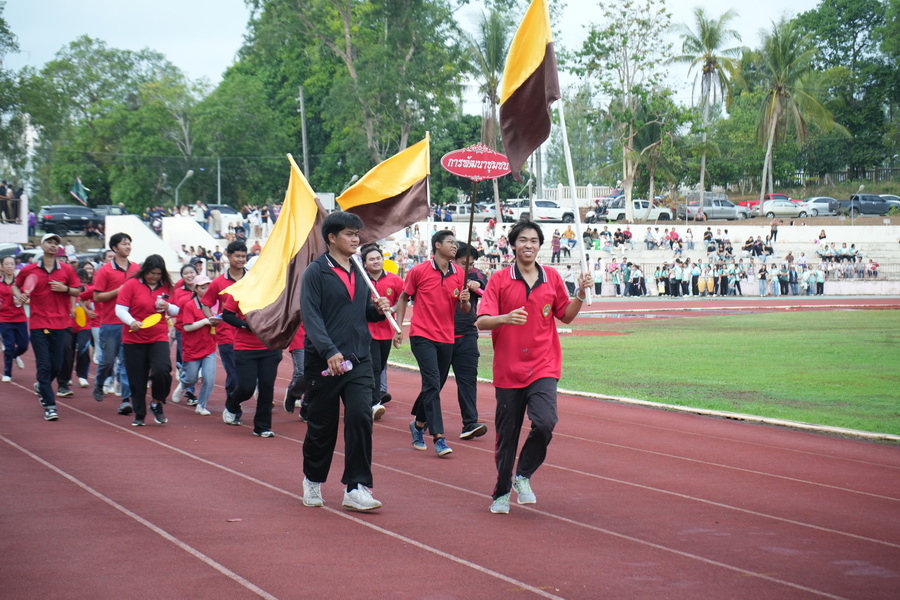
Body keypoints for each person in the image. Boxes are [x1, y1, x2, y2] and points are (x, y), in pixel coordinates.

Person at [476, 219, 590, 514]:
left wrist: (579, 294)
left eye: (534, 241)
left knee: (545, 422)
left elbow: (565, 315)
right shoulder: (499, 279)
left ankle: (523, 474)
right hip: (508, 369)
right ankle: (501, 491)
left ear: (541, 246)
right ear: (513, 244)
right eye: (523, 240)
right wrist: (504, 318)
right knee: (507, 436)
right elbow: (481, 320)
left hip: (544, 365)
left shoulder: (551, 277)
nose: (529, 245)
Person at [300, 211, 391, 511]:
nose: (356, 239)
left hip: (359, 358)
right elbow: (311, 317)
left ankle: (356, 487)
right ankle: (313, 479)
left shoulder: (360, 271)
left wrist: (378, 309)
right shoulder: (316, 272)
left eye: (357, 234)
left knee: (360, 418)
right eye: (350, 234)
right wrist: (328, 351)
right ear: (331, 238)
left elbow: (363, 311)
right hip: (324, 363)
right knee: (322, 427)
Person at [393, 229, 471, 457]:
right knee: (432, 383)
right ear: (437, 245)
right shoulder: (419, 271)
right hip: (422, 335)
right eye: (450, 242)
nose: (455, 246)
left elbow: (464, 308)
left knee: (434, 385)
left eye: (456, 242)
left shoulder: (459, 274)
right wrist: (398, 328)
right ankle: (438, 437)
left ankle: (417, 425)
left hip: (447, 336)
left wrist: (465, 302)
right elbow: (404, 297)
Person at [13, 233, 82, 421]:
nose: (53, 246)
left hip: (61, 323)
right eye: (49, 242)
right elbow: (16, 286)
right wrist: (20, 296)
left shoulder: (67, 270)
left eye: (56, 243)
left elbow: (77, 290)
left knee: (57, 365)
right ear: (41, 246)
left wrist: (65, 289)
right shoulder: (30, 270)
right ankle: (50, 405)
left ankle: (42, 386)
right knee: (44, 364)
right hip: (38, 324)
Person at [116, 255, 178, 426]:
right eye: (152, 273)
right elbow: (120, 309)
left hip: (158, 336)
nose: (155, 277)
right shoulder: (131, 285)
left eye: (158, 274)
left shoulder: (166, 287)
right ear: (144, 271)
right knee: (137, 379)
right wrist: (132, 321)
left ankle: (157, 402)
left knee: (162, 370)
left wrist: (168, 307)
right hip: (133, 337)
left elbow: (176, 310)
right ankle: (140, 414)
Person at [221, 290, 282, 437]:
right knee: (246, 388)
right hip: (245, 348)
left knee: (266, 387)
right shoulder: (241, 289)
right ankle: (233, 402)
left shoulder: (276, 288)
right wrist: (244, 325)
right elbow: (227, 314)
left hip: (270, 346)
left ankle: (262, 426)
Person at [92, 233, 139, 415]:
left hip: (130, 323)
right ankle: (99, 381)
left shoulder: (136, 268)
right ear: (114, 248)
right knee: (108, 360)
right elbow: (97, 296)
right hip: (110, 322)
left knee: (127, 362)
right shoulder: (105, 270)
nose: (128, 246)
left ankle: (125, 399)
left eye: (129, 243)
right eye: (124, 244)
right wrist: (118, 291)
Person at [360, 243, 403, 421]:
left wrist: (398, 329)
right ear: (364, 263)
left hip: (385, 331)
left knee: (379, 366)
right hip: (365, 332)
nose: (376, 261)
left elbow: (402, 302)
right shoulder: (361, 280)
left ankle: (368, 400)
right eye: (371, 259)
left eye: (378, 258)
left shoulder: (395, 280)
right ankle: (373, 402)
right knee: (374, 366)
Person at [450, 243, 489, 440]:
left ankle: (470, 423)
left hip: (466, 333)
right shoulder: (444, 275)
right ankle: (421, 419)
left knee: (467, 380)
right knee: (434, 383)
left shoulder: (476, 275)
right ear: (452, 260)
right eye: (463, 263)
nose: (468, 268)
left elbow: (483, 282)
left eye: (471, 264)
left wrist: (476, 284)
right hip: (440, 336)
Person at [201, 241, 246, 403]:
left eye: (243, 256)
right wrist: (210, 318)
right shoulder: (218, 282)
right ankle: (232, 407)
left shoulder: (253, 280)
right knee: (234, 375)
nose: (241, 259)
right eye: (237, 256)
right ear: (228, 255)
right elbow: (206, 303)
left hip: (249, 335)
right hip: (227, 335)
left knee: (248, 376)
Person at [172, 274, 217, 415]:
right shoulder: (190, 305)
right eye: (203, 288)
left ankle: (201, 405)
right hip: (192, 348)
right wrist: (204, 321)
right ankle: (183, 384)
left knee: (209, 379)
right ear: (196, 289)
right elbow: (187, 327)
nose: (206, 290)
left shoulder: (213, 303)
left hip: (209, 346)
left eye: (208, 287)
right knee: (191, 378)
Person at [0, 255, 28, 382]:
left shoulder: (20, 284)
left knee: (23, 346)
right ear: (2, 266)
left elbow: (29, 298)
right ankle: (7, 373)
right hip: (4, 319)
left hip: (20, 318)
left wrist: (23, 299)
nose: (9, 266)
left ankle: (15, 356)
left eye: (12, 264)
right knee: (9, 345)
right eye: (6, 264)